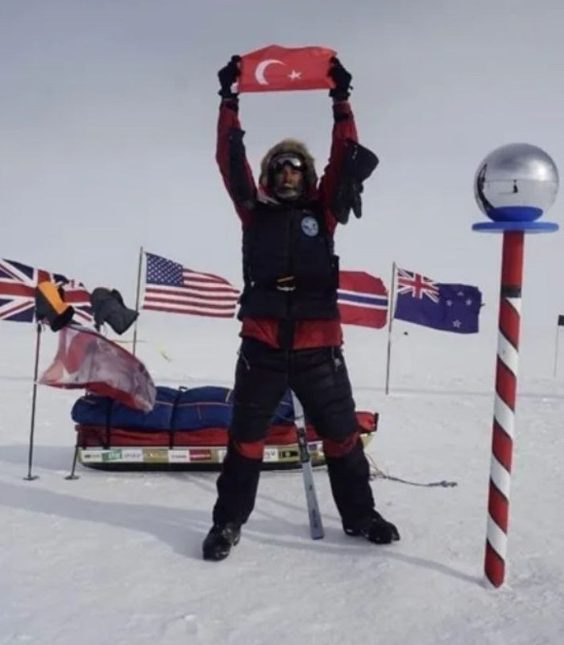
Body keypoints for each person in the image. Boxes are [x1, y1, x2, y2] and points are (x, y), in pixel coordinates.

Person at [202, 54, 399, 561]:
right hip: (263, 345)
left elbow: (344, 153)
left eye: (296, 167)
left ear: (307, 176)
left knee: (341, 436)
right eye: (280, 167)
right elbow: (230, 160)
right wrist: (230, 102)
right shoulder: (253, 211)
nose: (288, 172)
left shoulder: (323, 212)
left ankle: (360, 516)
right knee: (246, 441)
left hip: (319, 348)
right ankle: (227, 524)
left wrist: (340, 100)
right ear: (270, 176)